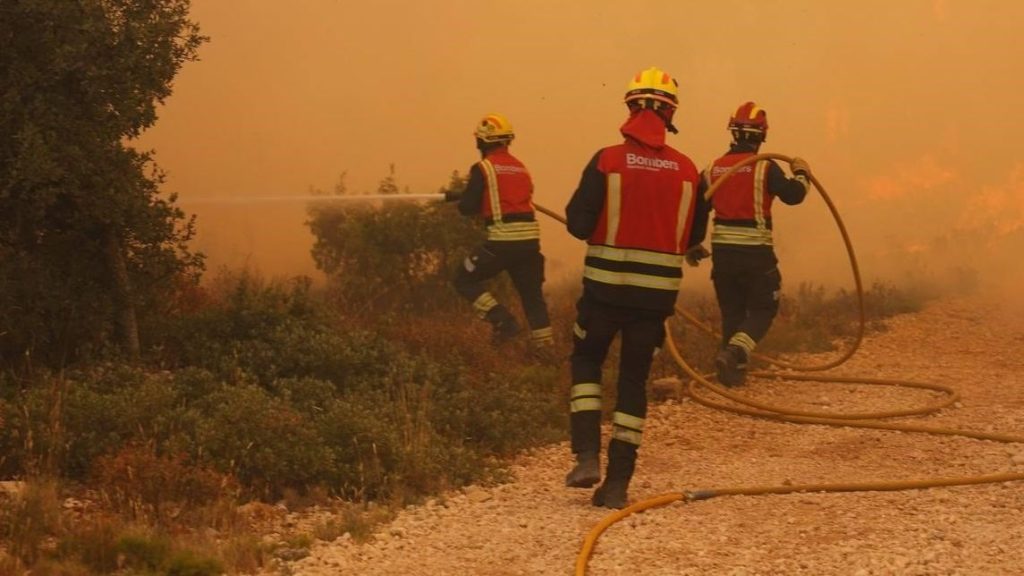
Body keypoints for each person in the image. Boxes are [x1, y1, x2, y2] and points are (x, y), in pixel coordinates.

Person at [563, 67, 701, 509]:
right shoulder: (688, 171)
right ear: (670, 112)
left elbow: (578, 223)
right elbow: (693, 235)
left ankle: (586, 457)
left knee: (586, 361)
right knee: (633, 383)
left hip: (603, 294)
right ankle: (618, 484)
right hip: (654, 303)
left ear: (630, 108)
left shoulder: (606, 160)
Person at [689, 101, 811, 387]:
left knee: (733, 312)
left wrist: (694, 243)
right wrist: (803, 172)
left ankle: (732, 372)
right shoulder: (765, 168)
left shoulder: (712, 169)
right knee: (763, 308)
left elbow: (698, 208)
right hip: (756, 257)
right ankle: (736, 351)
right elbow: (794, 195)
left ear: (733, 133)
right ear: (761, 137)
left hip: (723, 259)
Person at [445, 113, 554, 353]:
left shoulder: (483, 168)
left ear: (483, 141)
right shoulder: (520, 168)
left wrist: (461, 197)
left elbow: (468, 208)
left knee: (463, 279)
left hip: (503, 242)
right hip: (530, 244)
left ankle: (502, 320)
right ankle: (546, 350)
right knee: (532, 297)